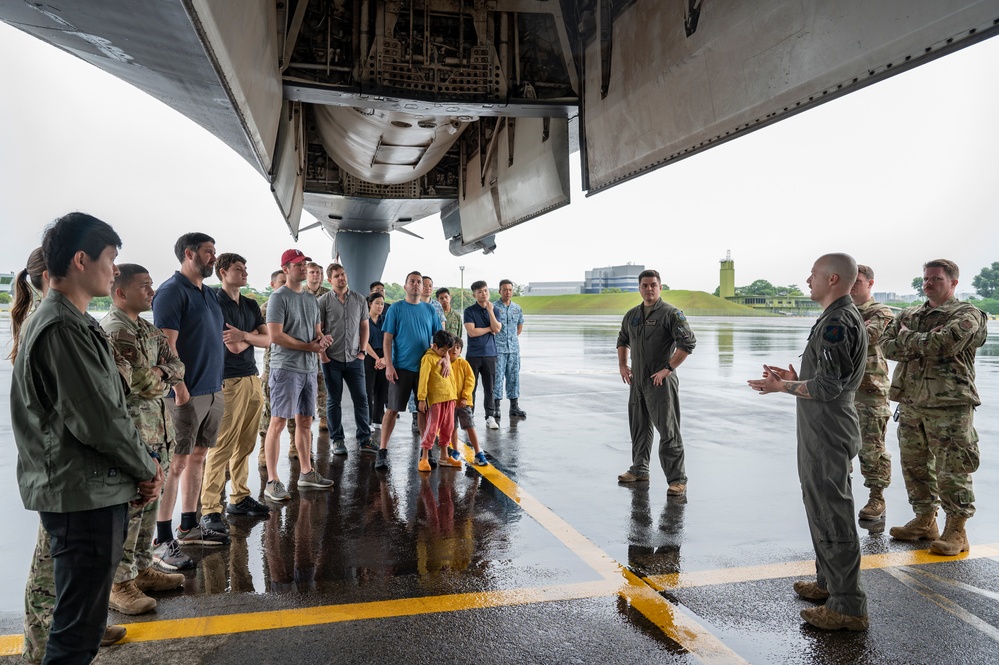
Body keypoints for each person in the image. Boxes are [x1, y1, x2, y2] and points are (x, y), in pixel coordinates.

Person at [11, 213, 162, 663]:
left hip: (87, 488)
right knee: (78, 630)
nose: (115, 268)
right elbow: (100, 419)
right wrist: (145, 467)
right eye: (111, 258)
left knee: (82, 620)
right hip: (82, 495)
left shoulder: (71, 320)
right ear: (81, 259)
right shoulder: (62, 327)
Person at [748, 253, 868, 632]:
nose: (807, 280)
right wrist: (797, 378)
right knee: (820, 504)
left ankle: (847, 607)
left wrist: (783, 386)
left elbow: (830, 387)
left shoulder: (838, 321)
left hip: (827, 428)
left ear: (833, 279)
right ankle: (829, 583)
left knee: (832, 509)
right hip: (821, 425)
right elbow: (828, 377)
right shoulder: (836, 317)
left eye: (813, 275)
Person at [881, 259, 988, 555]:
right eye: (926, 279)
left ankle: (956, 529)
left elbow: (944, 345)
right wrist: (918, 340)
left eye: (936, 279)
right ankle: (925, 520)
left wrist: (907, 338)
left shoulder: (968, 314)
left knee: (953, 468)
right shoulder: (910, 313)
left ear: (953, 283)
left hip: (949, 404)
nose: (928, 284)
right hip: (912, 401)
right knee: (915, 465)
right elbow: (886, 345)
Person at [101, 264, 188, 616]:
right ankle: (118, 583)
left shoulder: (146, 329)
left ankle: (139, 569)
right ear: (121, 292)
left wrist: (161, 373)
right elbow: (141, 384)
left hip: (158, 430)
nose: (152, 291)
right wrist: (162, 376)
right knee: (132, 508)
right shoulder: (115, 330)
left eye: (152, 285)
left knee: (149, 508)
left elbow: (177, 364)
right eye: (145, 286)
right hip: (135, 433)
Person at [153, 232, 229, 546]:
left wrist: (218, 381)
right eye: (209, 252)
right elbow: (166, 347)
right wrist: (180, 388)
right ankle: (162, 537)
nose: (214, 257)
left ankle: (188, 526)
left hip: (212, 390)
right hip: (185, 394)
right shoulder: (171, 292)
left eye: (214, 252)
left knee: (198, 457)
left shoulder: (208, 294)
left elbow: (214, 340)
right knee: (176, 463)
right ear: (189, 253)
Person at [201, 253, 270, 534]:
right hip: (228, 381)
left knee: (246, 443)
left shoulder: (251, 303)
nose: (244, 273)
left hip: (252, 379)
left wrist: (246, 336)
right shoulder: (216, 303)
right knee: (223, 446)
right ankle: (209, 508)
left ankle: (239, 497)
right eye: (238, 269)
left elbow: (267, 340)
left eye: (245, 268)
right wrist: (247, 336)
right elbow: (233, 346)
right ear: (222, 272)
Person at [616, 269, 696, 496]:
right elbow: (622, 339)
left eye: (653, 285)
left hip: (661, 382)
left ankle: (677, 479)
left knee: (668, 430)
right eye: (644, 285)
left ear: (660, 287)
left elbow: (687, 343)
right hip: (637, 381)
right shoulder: (632, 315)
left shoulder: (671, 314)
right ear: (639, 288)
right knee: (639, 427)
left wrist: (668, 369)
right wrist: (623, 365)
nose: (649, 289)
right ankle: (639, 469)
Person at [263, 249, 334, 500]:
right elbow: (275, 336)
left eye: (304, 264)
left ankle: (306, 473)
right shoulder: (278, 298)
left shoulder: (311, 300)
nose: (303, 268)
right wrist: (309, 347)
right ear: (285, 269)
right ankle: (272, 481)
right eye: (297, 265)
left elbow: (316, 331)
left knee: (305, 422)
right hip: (286, 368)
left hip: (308, 369)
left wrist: (322, 339)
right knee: (279, 422)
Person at [378, 271, 445, 470]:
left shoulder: (430, 310)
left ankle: (426, 452)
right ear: (405, 286)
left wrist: (447, 358)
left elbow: (439, 339)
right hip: (401, 368)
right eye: (412, 282)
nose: (416, 285)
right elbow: (387, 339)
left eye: (419, 282)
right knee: (392, 409)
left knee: (423, 409)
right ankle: (382, 451)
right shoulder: (396, 309)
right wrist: (389, 365)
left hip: (425, 369)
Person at [849, 264, 894, 520]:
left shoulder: (881, 311)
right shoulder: (840, 310)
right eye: (850, 280)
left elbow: (868, 335)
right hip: (841, 389)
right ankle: (840, 497)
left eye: (859, 280)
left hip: (870, 390)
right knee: (839, 447)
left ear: (870, 284)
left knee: (872, 448)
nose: (854, 284)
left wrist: (852, 328)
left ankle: (877, 498)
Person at [317, 262, 372, 456]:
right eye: (337, 276)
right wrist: (323, 355)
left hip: (355, 359)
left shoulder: (359, 300)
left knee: (361, 399)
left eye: (343, 274)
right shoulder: (323, 301)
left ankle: (365, 439)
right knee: (334, 400)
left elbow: (364, 327)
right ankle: (337, 440)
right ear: (330, 280)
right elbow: (318, 330)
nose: (342, 278)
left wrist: (362, 352)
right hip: (332, 360)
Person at [258, 269, 295, 465]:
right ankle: (264, 450)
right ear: (273, 285)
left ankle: (295, 445)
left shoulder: (297, 304)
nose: (285, 285)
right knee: (270, 412)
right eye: (281, 282)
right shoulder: (265, 308)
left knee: (296, 412)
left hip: (295, 366)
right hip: (273, 367)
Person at [417, 330, 458, 471]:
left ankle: (444, 456)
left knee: (448, 427)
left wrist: (454, 396)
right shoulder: (428, 358)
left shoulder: (444, 357)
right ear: (434, 345)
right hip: (436, 400)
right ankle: (424, 458)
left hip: (449, 398)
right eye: (444, 350)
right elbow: (423, 379)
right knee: (432, 428)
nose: (446, 353)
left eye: (448, 350)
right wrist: (422, 399)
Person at [464, 280, 502, 429]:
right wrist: (488, 329)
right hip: (474, 354)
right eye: (479, 292)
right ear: (474, 294)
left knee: (490, 387)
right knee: (471, 387)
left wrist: (491, 311)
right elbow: (472, 332)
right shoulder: (469, 311)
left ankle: (490, 416)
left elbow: (497, 329)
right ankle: (469, 415)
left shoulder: (495, 310)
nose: (483, 294)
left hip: (490, 354)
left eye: (485, 291)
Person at [449, 337, 489, 466]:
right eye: (452, 347)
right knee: (452, 428)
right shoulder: (444, 362)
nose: (455, 350)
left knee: (470, 426)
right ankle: (455, 451)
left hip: (463, 402)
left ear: (461, 350)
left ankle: (478, 452)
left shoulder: (463, 363)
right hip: (450, 402)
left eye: (458, 347)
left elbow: (470, 381)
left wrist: (465, 397)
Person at [493, 279, 527, 419]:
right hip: (498, 349)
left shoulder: (517, 308)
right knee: (497, 378)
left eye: (510, 290)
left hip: (513, 349)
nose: (508, 292)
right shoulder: (493, 307)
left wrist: (511, 339)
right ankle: (496, 407)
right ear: (500, 291)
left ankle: (514, 406)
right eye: (505, 289)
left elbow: (519, 327)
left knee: (514, 377)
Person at [305, 261, 330, 430]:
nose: (316, 276)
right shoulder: (299, 293)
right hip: (304, 344)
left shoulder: (328, 295)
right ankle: (307, 411)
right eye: (312, 272)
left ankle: (324, 416)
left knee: (323, 383)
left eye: (319, 273)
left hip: (323, 345)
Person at [364, 292, 389, 430]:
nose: (380, 306)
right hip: (369, 356)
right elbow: (364, 342)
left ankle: (378, 420)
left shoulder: (385, 320)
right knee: (368, 389)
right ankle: (367, 421)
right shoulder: (364, 320)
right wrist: (377, 358)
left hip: (384, 356)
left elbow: (390, 339)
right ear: (370, 304)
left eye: (382, 304)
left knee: (382, 388)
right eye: (377, 303)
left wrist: (384, 358)